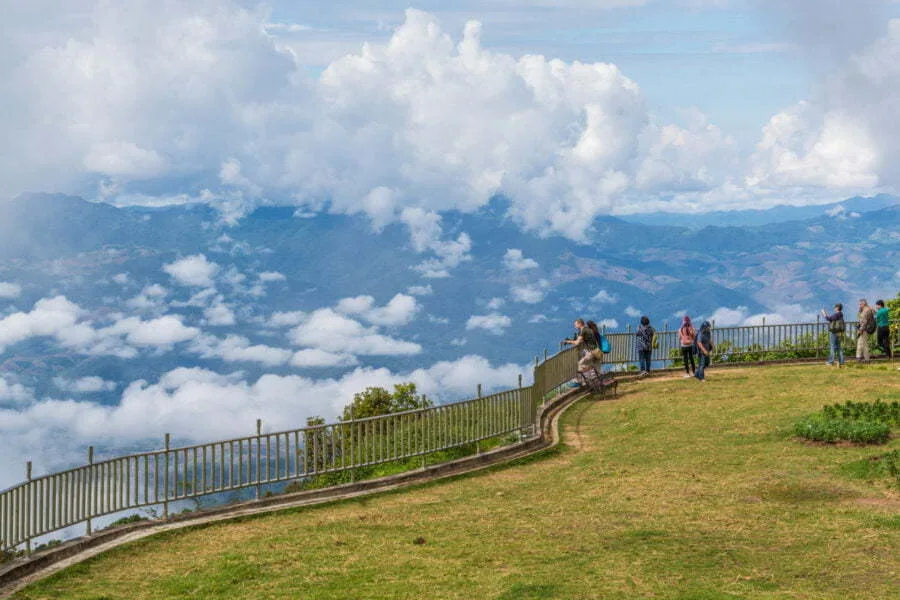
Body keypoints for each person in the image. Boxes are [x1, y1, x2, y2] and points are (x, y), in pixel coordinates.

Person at [857, 299, 876, 364]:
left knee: (863, 344)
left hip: (864, 329)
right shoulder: (868, 309)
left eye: (860, 304)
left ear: (863, 304)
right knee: (862, 343)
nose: (859, 305)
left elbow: (864, 322)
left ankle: (865, 359)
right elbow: (874, 312)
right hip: (866, 329)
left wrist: (860, 330)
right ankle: (861, 358)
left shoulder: (865, 311)